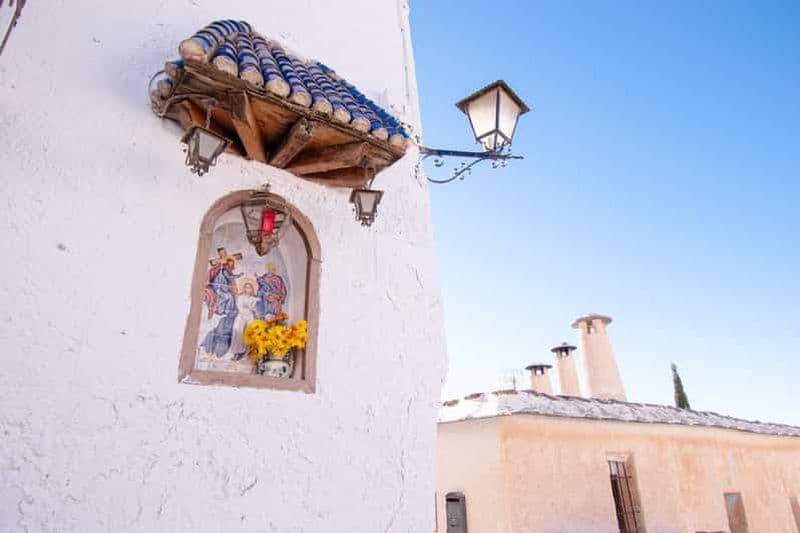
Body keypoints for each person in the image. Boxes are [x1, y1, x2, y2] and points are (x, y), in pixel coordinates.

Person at [201, 252, 242, 357]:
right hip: (218, 288)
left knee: (229, 297)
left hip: (223, 288)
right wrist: (238, 275)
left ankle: (226, 309)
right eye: (230, 264)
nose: (231, 266)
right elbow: (227, 274)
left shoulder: (226, 271)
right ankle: (223, 308)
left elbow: (230, 277)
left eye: (232, 265)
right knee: (227, 297)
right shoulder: (222, 270)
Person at [230, 280, 258, 361]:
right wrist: (249, 308)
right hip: (242, 316)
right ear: (244, 288)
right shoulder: (241, 297)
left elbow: (255, 310)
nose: (247, 289)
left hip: (249, 317)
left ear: (252, 289)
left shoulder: (254, 299)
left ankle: (246, 353)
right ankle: (237, 352)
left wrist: (254, 310)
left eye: (249, 288)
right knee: (238, 331)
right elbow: (240, 308)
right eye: (246, 287)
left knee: (249, 334)